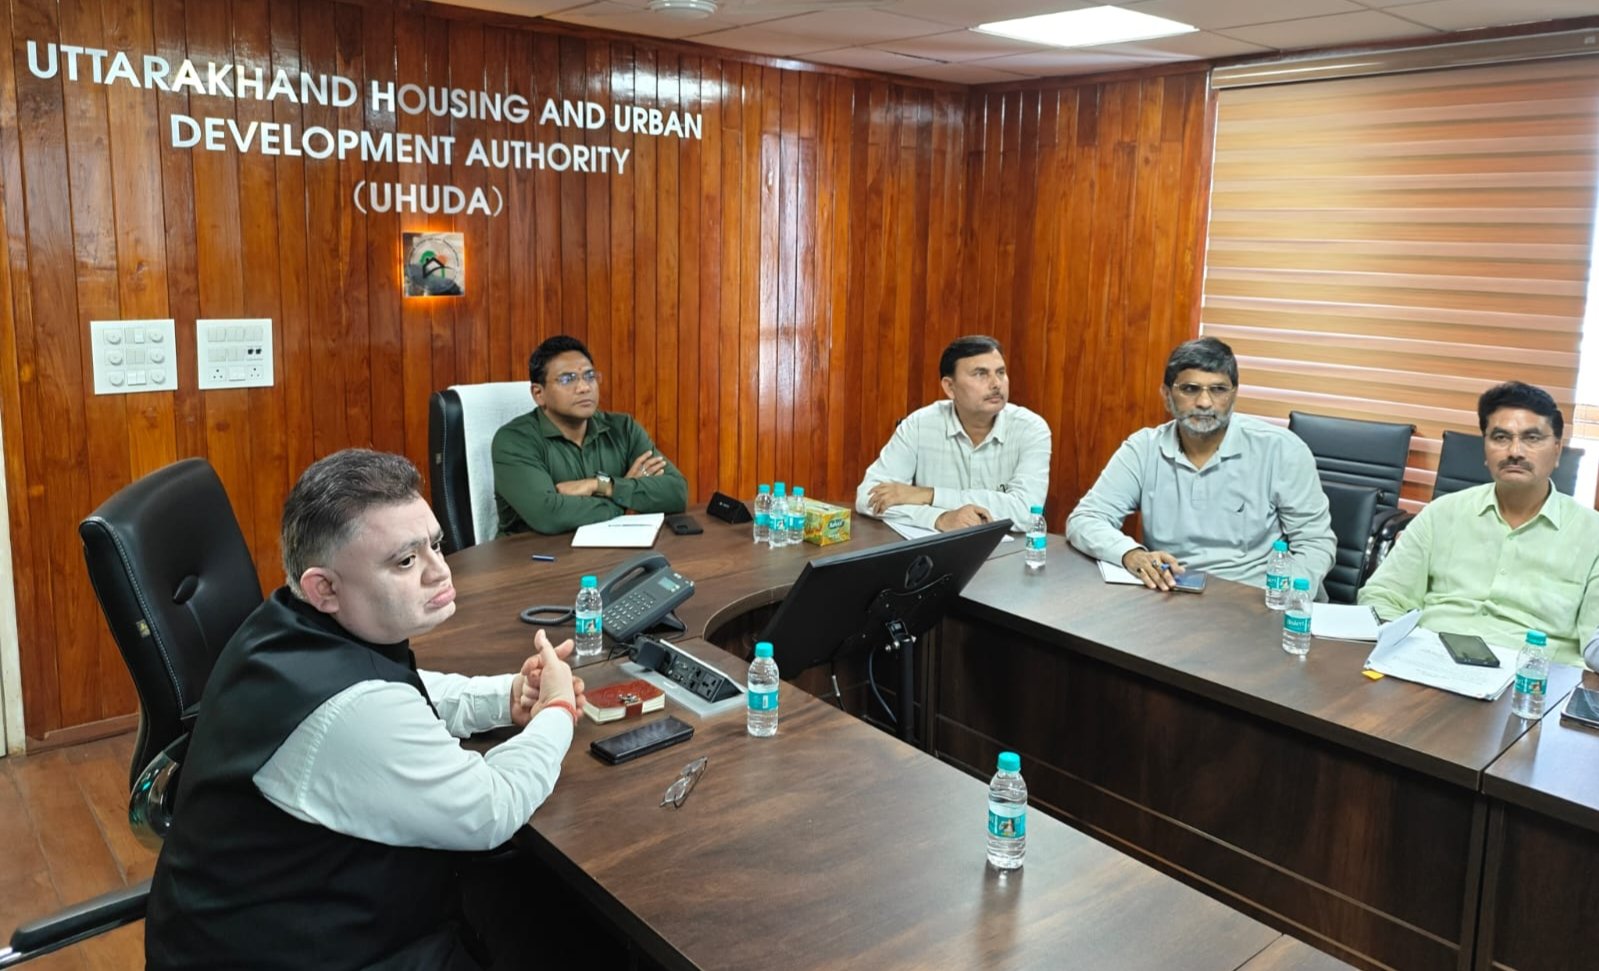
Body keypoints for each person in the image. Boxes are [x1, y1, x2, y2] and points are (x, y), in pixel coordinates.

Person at [146, 449, 586, 970]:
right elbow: (490, 809)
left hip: (273, 919)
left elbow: (393, 690)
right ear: (325, 588)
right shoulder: (353, 712)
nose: (439, 571)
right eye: (405, 561)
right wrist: (558, 709)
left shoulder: (285, 624)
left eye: (435, 544)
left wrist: (505, 697)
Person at [1066, 336, 1335, 592]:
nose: (1205, 402)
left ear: (1233, 395)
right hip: (1171, 594)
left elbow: (1315, 543)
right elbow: (1086, 519)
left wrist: (1279, 597)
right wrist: (1131, 554)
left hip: (1254, 596)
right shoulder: (1143, 448)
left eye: (1218, 390)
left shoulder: (1282, 449)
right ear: (1166, 395)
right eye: (1190, 389)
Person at [1360, 382, 1599, 668]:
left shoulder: (1592, 534)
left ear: (1557, 450)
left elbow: (1594, 644)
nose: (1515, 451)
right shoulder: (1442, 514)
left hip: (1533, 680)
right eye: (1500, 437)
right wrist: (1401, 649)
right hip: (1429, 665)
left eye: (1532, 438)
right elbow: (1383, 595)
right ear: (1485, 449)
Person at [494, 334, 688, 535]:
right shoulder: (514, 440)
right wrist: (627, 501)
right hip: (535, 552)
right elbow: (548, 515)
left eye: (590, 376)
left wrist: (601, 485)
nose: (584, 387)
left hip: (612, 545)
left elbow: (676, 492)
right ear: (538, 394)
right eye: (567, 379)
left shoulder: (623, 428)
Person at [854, 335, 1052, 532]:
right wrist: (939, 518)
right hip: (938, 547)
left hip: (1011, 549)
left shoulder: (1030, 429)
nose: (996, 384)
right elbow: (867, 497)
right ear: (950, 387)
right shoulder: (920, 425)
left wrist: (929, 495)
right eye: (981, 374)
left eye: (1000, 372)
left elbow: (1027, 513)